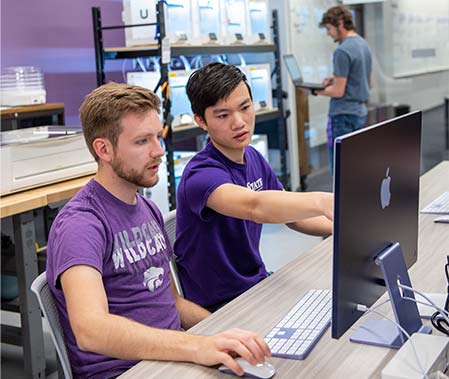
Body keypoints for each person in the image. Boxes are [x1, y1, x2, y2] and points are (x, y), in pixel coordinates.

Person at [45, 82, 271, 379]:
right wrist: (195, 346)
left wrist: (224, 332)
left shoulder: (147, 208)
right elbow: (91, 329)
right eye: (142, 142)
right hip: (127, 371)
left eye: (157, 137)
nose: (158, 151)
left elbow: (173, 303)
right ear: (104, 149)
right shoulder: (81, 224)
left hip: (172, 358)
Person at [175, 63, 334, 312]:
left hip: (256, 284)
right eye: (222, 115)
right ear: (201, 121)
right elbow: (254, 206)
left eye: (245, 108)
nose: (239, 123)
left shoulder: (253, 157)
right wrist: (323, 201)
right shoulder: (200, 174)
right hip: (221, 303)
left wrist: (345, 229)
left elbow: (292, 217)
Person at [315, 5, 373, 170]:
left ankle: (340, 197)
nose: (328, 33)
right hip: (359, 113)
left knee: (340, 167)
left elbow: (338, 91)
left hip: (342, 116)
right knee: (355, 164)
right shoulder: (363, 45)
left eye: (329, 28)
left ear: (340, 23)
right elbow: (369, 82)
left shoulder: (342, 51)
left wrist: (313, 90)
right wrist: (336, 78)